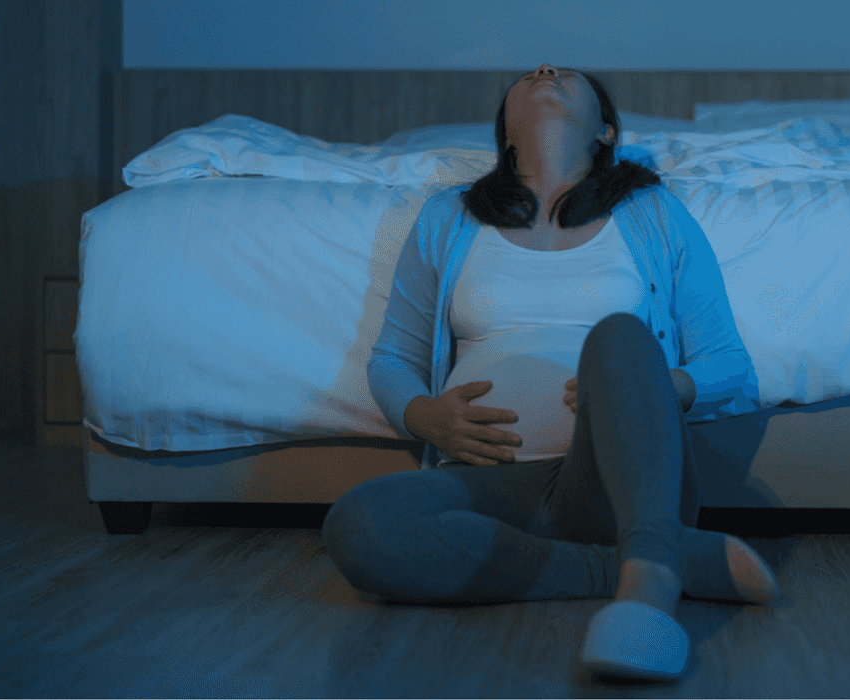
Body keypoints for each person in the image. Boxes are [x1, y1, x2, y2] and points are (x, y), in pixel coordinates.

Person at [323, 64, 780, 682]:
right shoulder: (447, 218)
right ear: (505, 137)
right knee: (359, 524)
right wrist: (425, 415)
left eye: (568, 77)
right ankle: (644, 561)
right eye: (529, 76)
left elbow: (728, 364)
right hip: (493, 485)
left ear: (607, 132)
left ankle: (647, 594)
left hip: (611, 486)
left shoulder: (652, 213)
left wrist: (649, 387)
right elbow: (392, 359)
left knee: (620, 338)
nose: (544, 71)